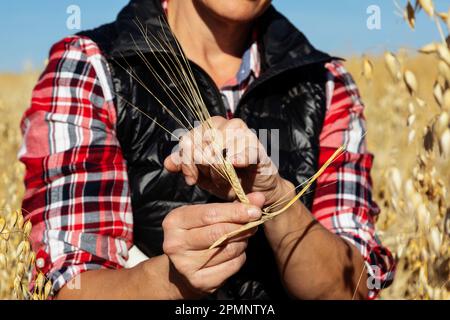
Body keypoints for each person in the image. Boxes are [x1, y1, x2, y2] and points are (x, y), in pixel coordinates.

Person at [19, 0, 395, 299]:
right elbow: (67, 288)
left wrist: (278, 197)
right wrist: (171, 281)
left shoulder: (325, 83)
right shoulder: (91, 67)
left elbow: (353, 287)